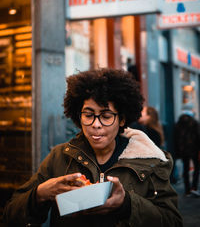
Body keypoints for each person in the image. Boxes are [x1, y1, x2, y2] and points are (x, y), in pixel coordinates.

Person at [4, 68, 182, 227]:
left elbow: (172, 221)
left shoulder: (150, 162)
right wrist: (39, 194)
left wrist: (127, 205)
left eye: (106, 116)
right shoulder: (59, 157)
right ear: (77, 116)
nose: (96, 125)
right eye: (88, 115)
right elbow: (10, 214)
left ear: (121, 119)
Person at [174, 113, 200, 197]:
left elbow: (176, 139)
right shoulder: (195, 123)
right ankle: (194, 188)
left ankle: (187, 190)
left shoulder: (178, 124)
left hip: (184, 151)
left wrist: (177, 152)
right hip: (194, 149)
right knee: (196, 168)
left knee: (186, 169)